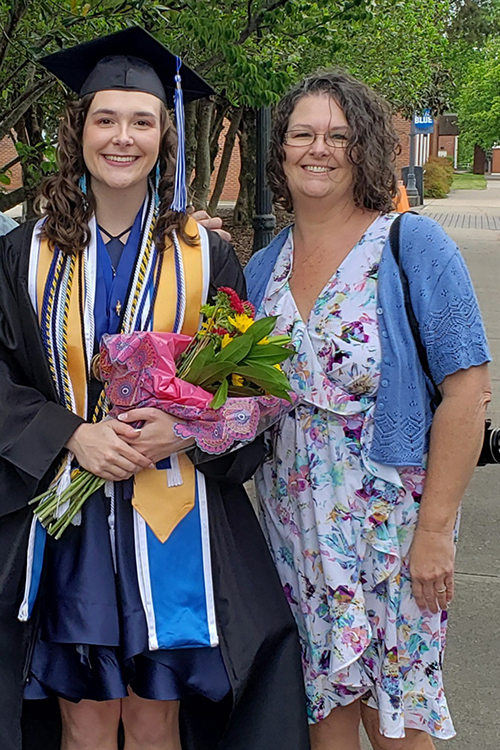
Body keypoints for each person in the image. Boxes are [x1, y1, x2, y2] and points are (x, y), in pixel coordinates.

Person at [0, 28, 310, 750]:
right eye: (105, 119)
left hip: (173, 519)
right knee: (82, 715)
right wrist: (70, 433)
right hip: (68, 514)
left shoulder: (207, 255)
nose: (122, 138)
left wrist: (188, 429)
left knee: (153, 715)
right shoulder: (25, 250)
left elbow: (252, 390)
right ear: (77, 130)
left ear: (164, 136)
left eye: (142, 121)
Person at [245, 70, 492, 750]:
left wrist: (436, 530)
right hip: (296, 531)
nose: (318, 148)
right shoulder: (260, 269)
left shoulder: (411, 246)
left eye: (338, 135)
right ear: (282, 149)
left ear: (364, 148)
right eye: (302, 134)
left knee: (399, 721)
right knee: (322, 718)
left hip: (394, 530)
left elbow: (469, 392)